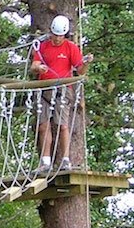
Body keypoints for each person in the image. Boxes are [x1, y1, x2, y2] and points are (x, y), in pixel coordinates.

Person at [29, 15, 93, 173]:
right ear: (51, 32)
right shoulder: (43, 46)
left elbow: (79, 71)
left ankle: (65, 160)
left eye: (60, 35)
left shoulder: (70, 48)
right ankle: (45, 161)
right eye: (55, 35)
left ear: (65, 34)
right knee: (43, 126)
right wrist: (39, 68)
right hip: (45, 90)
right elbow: (34, 65)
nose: (57, 38)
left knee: (62, 125)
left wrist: (85, 63)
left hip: (63, 91)